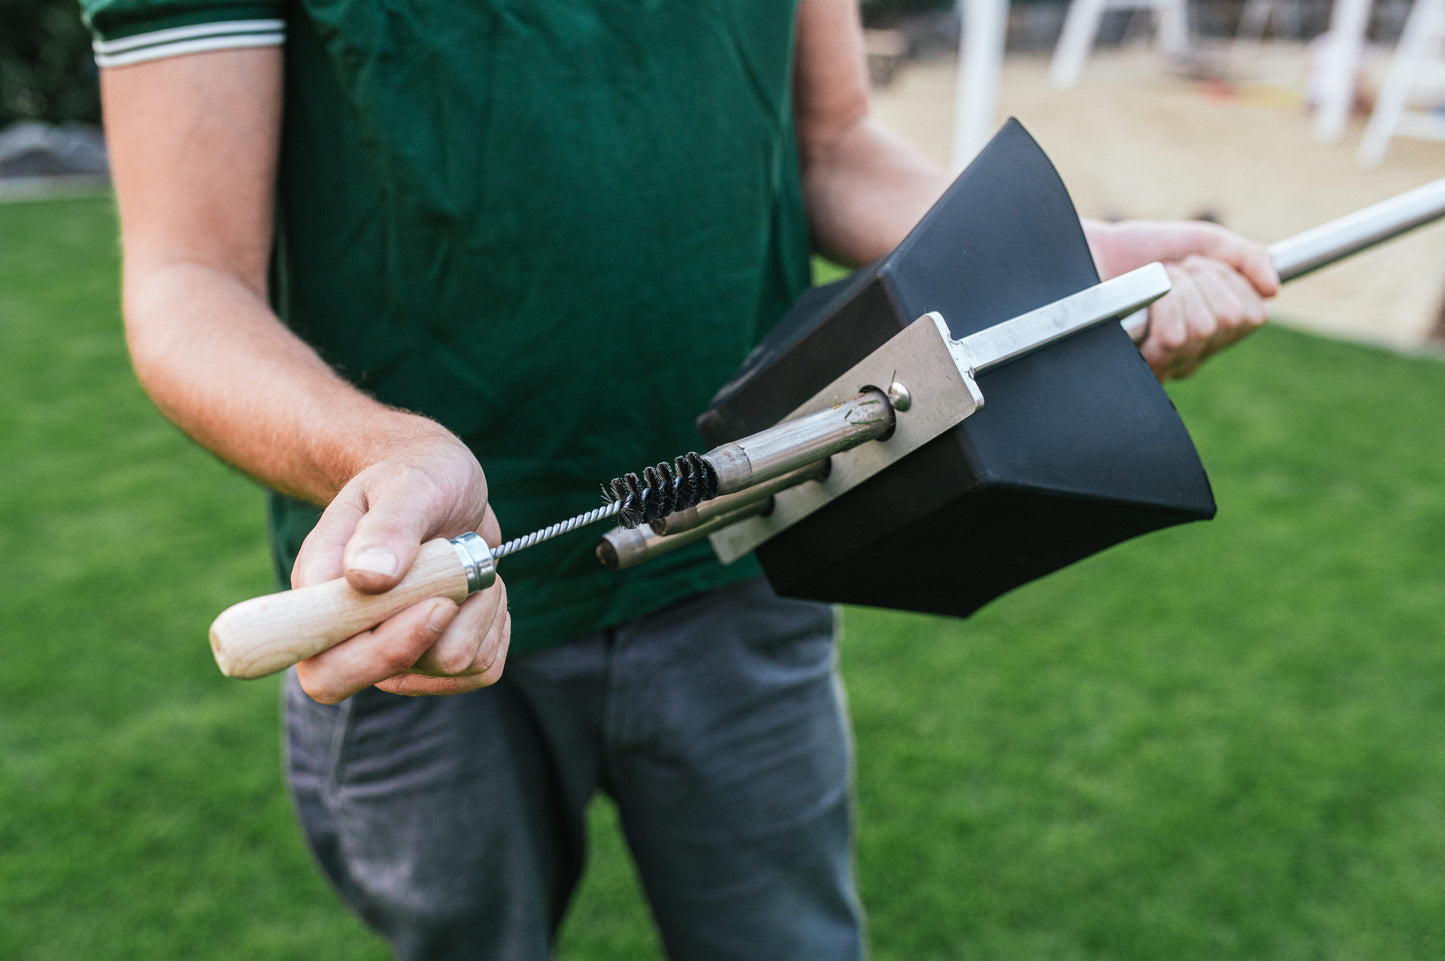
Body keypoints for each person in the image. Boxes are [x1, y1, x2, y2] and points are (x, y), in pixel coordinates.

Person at [82, 0, 1280, 957]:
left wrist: (1068, 271)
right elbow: (189, 281)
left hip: (745, 554)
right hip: (422, 610)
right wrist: (383, 452)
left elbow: (830, 146)